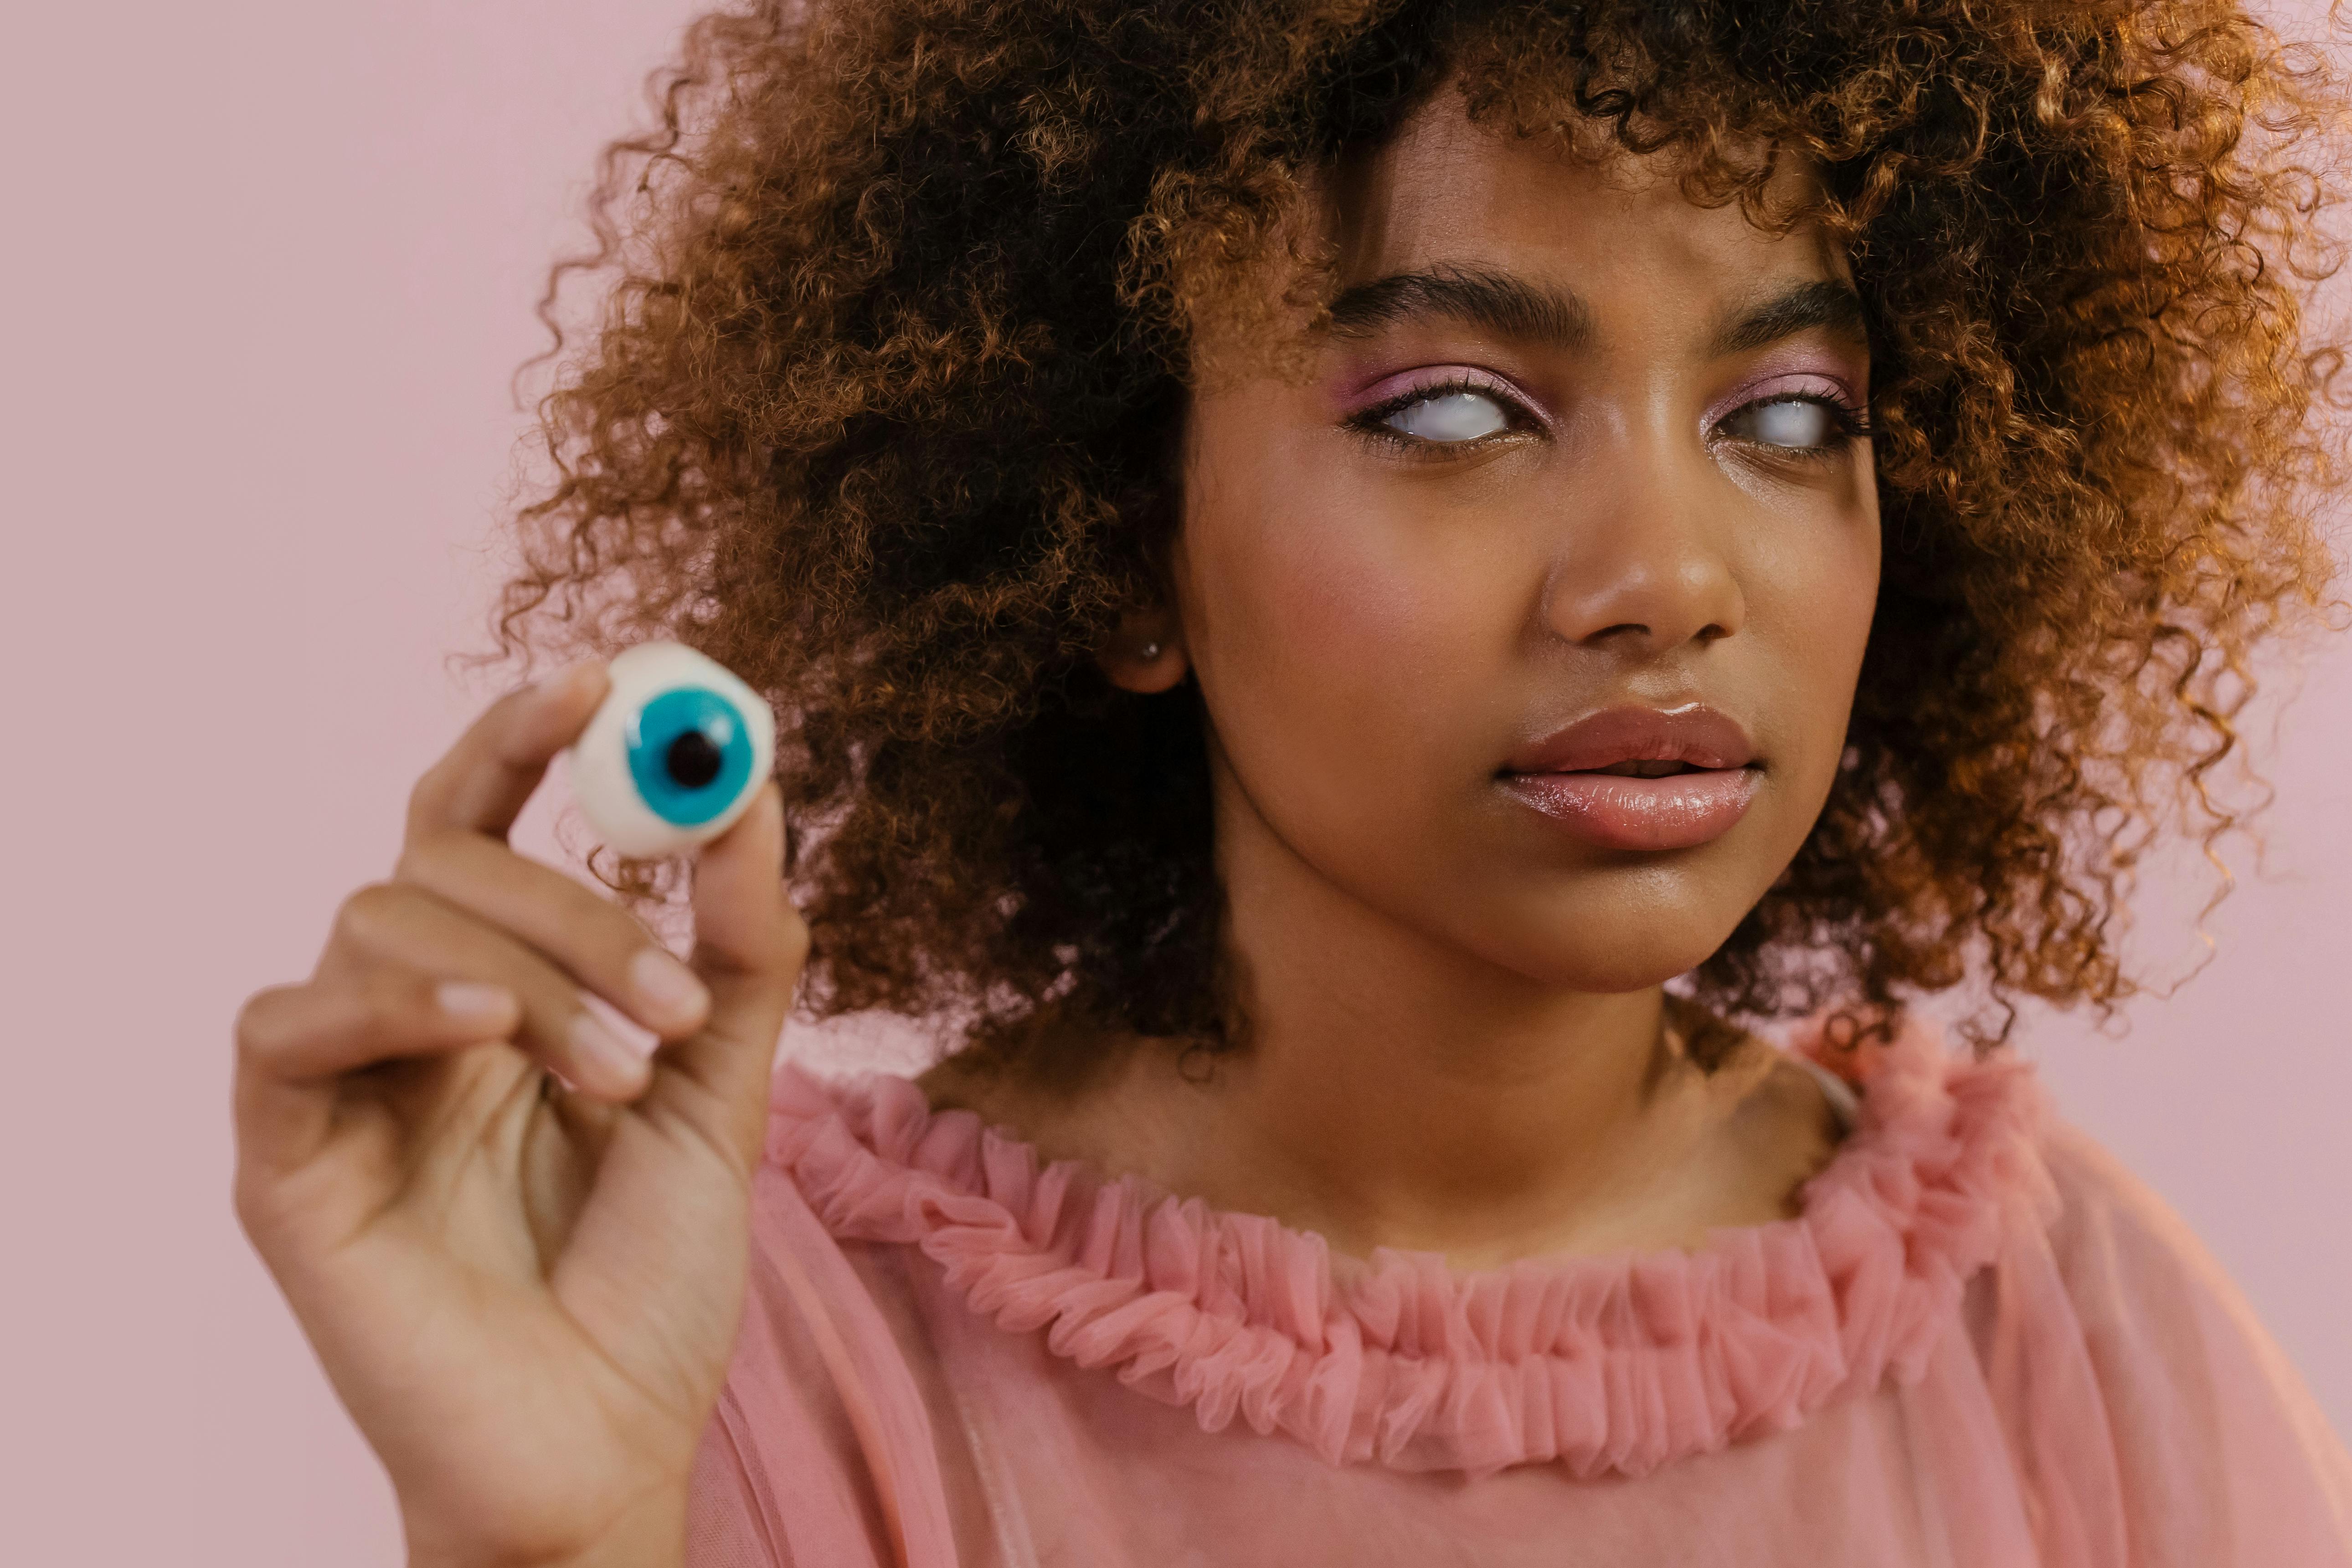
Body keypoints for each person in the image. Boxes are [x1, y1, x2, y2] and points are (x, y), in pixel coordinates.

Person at [232, 0, 2352, 1563]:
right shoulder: (755, 1360)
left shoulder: (2057, 1340)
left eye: (1790, 415)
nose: (1667, 582)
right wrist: (558, 1548)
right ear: (1118, 538)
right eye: (1449, 412)